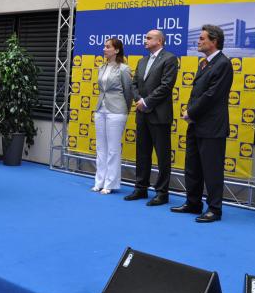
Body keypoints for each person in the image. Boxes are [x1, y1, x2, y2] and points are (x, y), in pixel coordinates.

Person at [171, 25, 233, 223]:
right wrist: (191, 114)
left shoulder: (223, 64)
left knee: (212, 170)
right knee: (193, 167)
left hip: (212, 127)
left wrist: (190, 112)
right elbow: (198, 93)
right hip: (196, 124)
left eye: (202, 38)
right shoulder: (204, 63)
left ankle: (214, 209)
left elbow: (212, 95)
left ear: (214, 41)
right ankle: (193, 203)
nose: (198, 41)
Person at [125, 29, 178, 206]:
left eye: (149, 38)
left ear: (160, 41)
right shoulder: (142, 61)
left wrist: (146, 102)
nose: (145, 40)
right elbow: (134, 84)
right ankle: (141, 188)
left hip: (159, 114)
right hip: (142, 114)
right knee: (142, 153)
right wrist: (138, 100)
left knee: (162, 156)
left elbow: (166, 86)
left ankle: (162, 193)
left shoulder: (170, 58)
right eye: (145, 38)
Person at [92, 38, 132, 194]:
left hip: (117, 111)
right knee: (101, 148)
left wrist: (124, 109)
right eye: (104, 46)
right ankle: (99, 182)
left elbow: (128, 93)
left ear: (116, 50)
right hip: (100, 109)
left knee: (113, 149)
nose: (104, 49)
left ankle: (110, 184)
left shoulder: (124, 69)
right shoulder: (101, 67)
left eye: (108, 47)